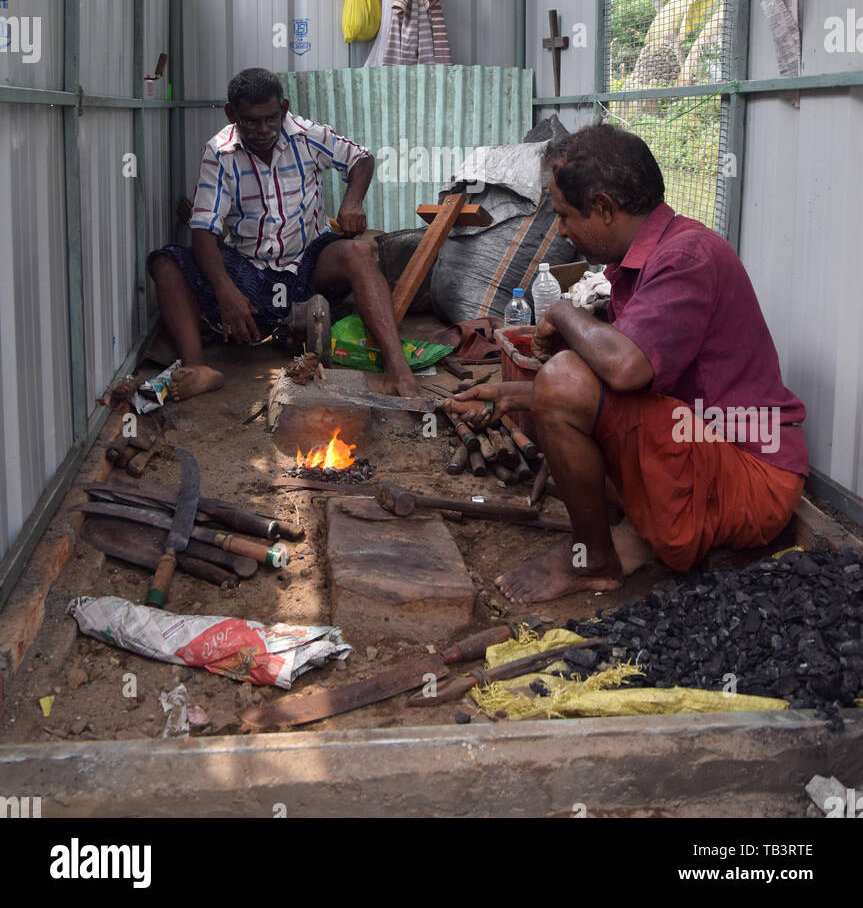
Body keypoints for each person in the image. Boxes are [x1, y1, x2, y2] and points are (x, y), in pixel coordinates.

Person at [448, 123, 809, 603]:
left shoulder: (688, 257)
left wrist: (561, 311)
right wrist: (511, 398)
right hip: (705, 445)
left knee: (564, 376)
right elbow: (622, 394)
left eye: (564, 216)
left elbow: (624, 371)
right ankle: (632, 536)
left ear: (603, 208)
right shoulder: (648, 260)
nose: (561, 231)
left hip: (753, 481)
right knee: (558, 388)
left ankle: (594, 561)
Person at [148, 67, 420, 401]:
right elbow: (204, 230)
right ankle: (198, 367)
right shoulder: (219, 153)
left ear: (285, 108)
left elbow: (361, 159)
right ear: (231, 113)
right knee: (165, 263)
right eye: (251, 121)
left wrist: (352, 201)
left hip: (310, 261)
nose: (263, 130)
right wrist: (226, 291)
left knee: (359, 253)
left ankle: (397, 369)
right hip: (249, 269)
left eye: (271, 118)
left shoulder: (307, 135)